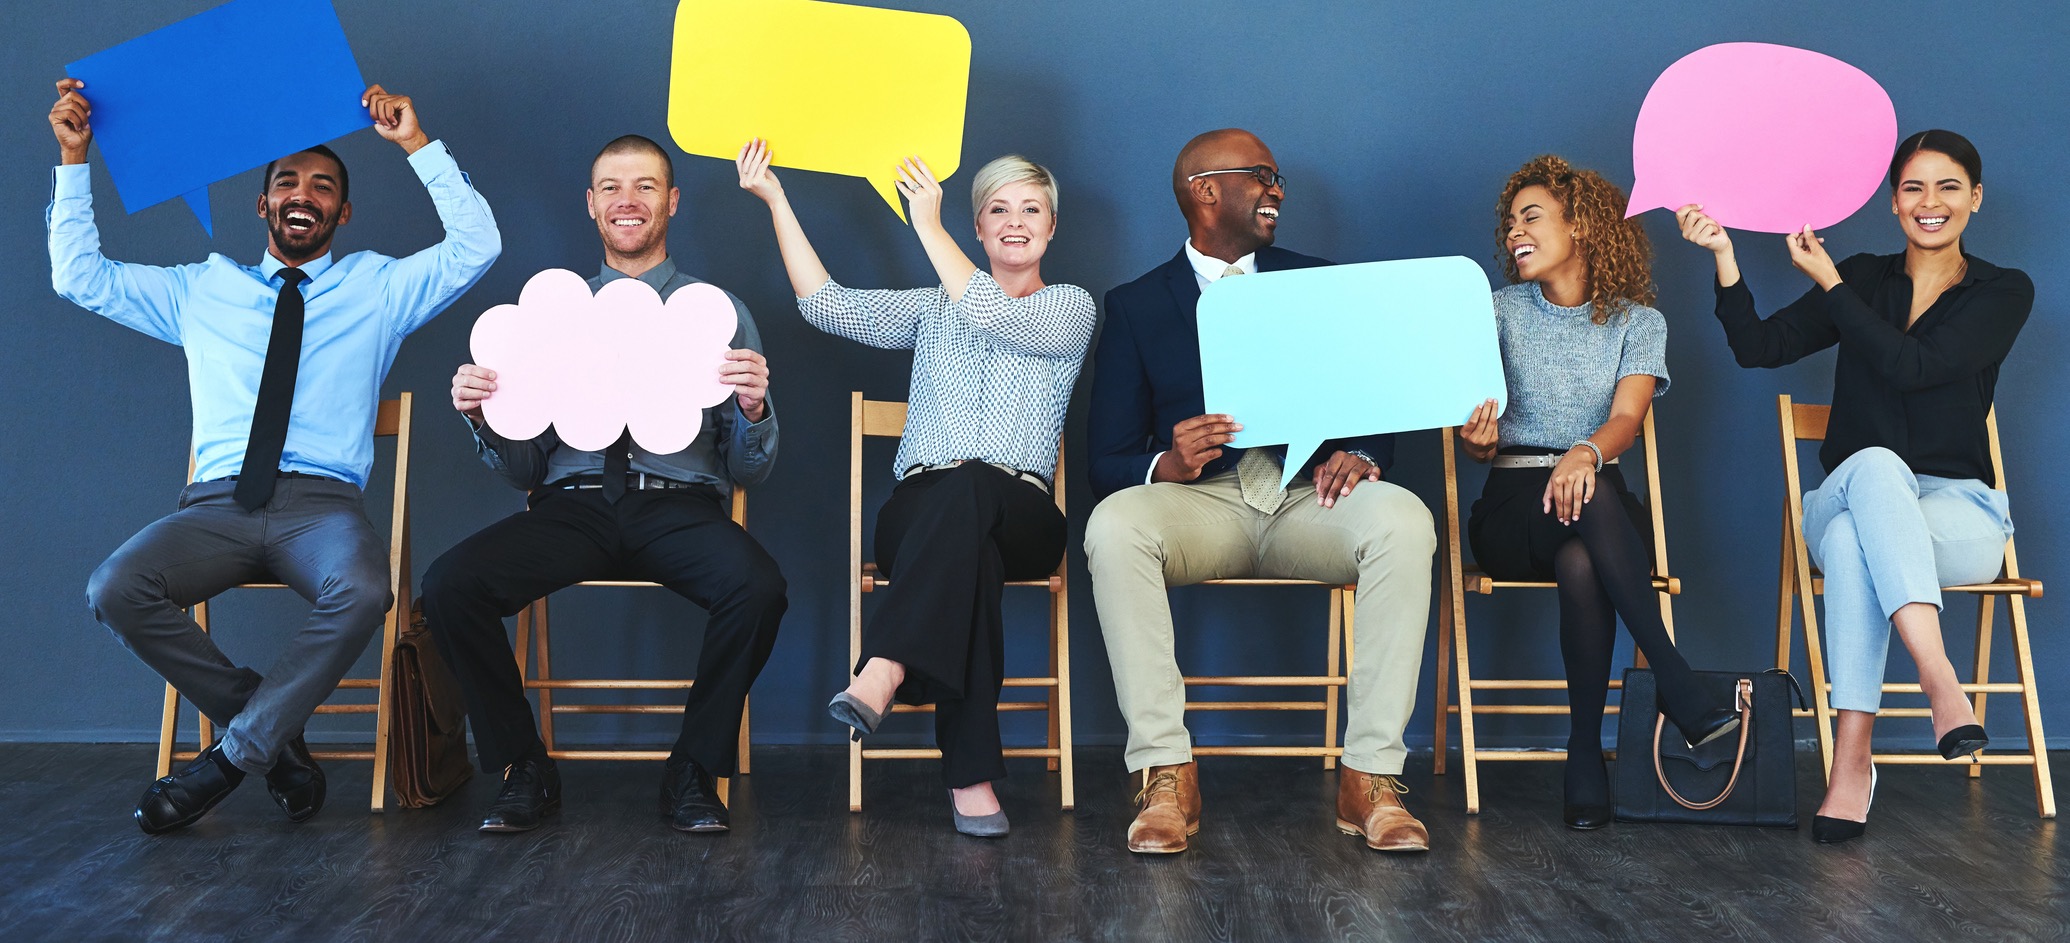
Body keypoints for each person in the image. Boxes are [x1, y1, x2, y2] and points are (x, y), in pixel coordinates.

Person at [50, 79, 501, 833]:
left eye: (323, 185)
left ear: (342, 212)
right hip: (217, 505)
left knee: (363, 590)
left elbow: (478, 244)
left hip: (320, 511)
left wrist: (417, 147)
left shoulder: (379, 288)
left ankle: (230, 759)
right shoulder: (202, 290)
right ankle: (265, 721)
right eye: (286, 182)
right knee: (114, 586)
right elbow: (79, 276)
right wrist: (73, 159)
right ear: (262, 206)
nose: (303, 193)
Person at [1083, 129, 1437, 855]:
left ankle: (1370, 777)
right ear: (1205, 190)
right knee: (1115, 524)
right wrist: (1168, 463)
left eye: (1279, 179)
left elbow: (1380, 417)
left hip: (1313, 502)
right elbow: (1106, 458)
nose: (1278, 189)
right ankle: (1165, 771)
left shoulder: (1321, 283)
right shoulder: (1136, 305)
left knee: (1404, 517)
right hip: (1201, 505)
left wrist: (1364, 453)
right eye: (1263, 176)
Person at [1675, 129, 2029, 844]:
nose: (1930, 203)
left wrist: (1832, 285)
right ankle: (1940, 681)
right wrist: (1724, 257)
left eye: (1948, 186)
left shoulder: (2003, 292)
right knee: (1871, 467)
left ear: (1976, 198)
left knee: (1850, 545)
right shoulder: (1866, 275)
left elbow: (1917, 366)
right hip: (1853, 489)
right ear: (1893, 201)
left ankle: (1853, 761)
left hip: (1958, 516)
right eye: (1913, 188)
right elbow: (1758, 347)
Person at [425, 135, 785, 835]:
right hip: (575, 506)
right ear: (591, 205)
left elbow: (750, 470)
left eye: (646, 186)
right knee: (448, 585)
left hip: (679, 505)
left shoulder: (716, 311)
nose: (629, 200)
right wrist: (485, 419)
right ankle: (524, 765)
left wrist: (754, 409)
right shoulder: (552, 312)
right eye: (612, 187)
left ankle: (693, 769)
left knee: (760, 585)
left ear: (672, 203)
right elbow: (525, 471)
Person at [735, 140, 1095, 837]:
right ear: (980, 228)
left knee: (977, 495)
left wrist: (926, 225)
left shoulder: (1069, 308)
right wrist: (777, 200)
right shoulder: (934, 309)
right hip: (921, 515)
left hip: (1024, 514)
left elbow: (994, 314)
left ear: (1051, 228)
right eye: (997, 209)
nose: (1014, 221)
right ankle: (970, 777)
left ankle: (884, 664)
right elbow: (824, 305)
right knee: (969, 546)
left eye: (1031, 209)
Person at [1460, 156, 1738, 830]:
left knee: (1586, 548)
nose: (1514, 232)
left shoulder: (1639, 322)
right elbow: (1475, 436)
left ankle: (1584, 750)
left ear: (1581, 224)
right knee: (1590, 515)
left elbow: (1625, 420)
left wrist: (1583, 453)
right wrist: (1476, 439)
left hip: (1594, 496)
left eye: (1532, 217)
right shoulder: (1493, 311)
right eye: (1510, 222)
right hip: (1512, 509)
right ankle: (1679, 682)